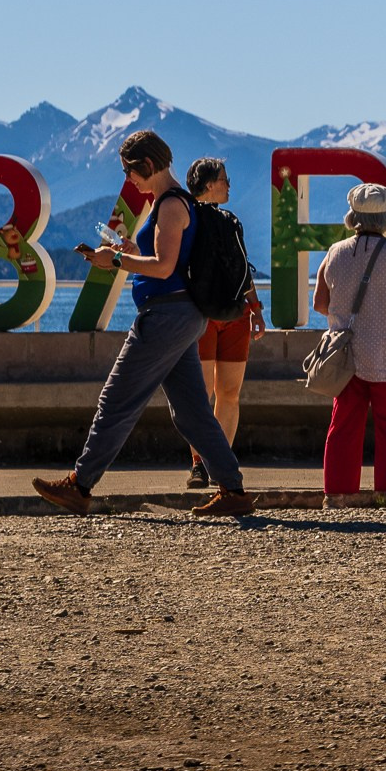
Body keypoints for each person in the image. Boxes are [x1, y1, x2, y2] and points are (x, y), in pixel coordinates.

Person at [32, 131, 256, 517]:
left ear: (148, 166)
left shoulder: (169, 206)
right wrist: (133, 252)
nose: (128, 179)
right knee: (190, 412)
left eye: (129, 171)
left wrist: (115, 262)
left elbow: (165, 267)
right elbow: (164, 260)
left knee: (117, 399)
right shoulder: (175, 204)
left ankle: (80, 486)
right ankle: (233, 490)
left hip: (165, 317)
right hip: (183, 317)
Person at [311, 182, 386, 507]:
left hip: (346, 354)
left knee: (344, 425)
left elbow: (320, 304)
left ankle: (337, 494)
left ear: (353, 216)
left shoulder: (334, 253)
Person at [182, 156, 265, 491]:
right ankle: (200, 464)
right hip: (205, 316)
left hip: (232, 316)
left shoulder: (230, 221)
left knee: (226, 393)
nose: (230, 185)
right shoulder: (185, 218)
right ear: (209, 184)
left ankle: (219, 461)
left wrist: (256, 308)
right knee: (208, 394)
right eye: (225, 179)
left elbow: (241, 269)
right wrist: (255, 311)